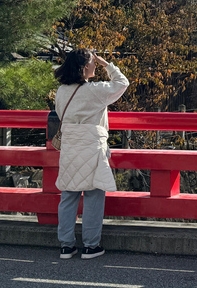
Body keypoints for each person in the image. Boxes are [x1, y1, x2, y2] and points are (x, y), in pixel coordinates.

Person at [53, 48, 129, 260]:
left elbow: (61, 115)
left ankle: (66, 246)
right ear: (86, 67)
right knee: (94, 194)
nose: (95, 65)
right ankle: (90, 245)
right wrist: (108, 64)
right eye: (93, 62)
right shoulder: (96, 90)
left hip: (70, 145)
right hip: (92, 145)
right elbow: (123, 83)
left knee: (69, 195)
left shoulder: (61, 91)